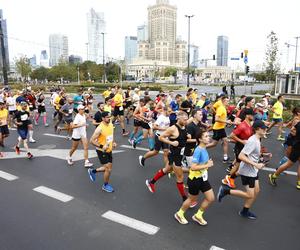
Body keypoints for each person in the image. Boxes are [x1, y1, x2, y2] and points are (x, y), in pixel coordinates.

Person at [217, 120, 267, 220]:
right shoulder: (253, 141)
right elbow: (241, 155)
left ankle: (245, 211)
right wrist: (255, 164)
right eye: (263, 128)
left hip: (252, 170)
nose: (265, 129)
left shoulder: (257, 139)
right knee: (250, 194)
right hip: (248, 171)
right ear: (257, 130)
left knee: (256, 190)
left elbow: (252, 153)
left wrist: (262, 155)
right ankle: (225, 191)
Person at [145, 111, 192, 204]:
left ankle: (151, 182)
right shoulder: (172, 128)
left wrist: (188, 136)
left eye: (187, 119)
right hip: (174, 155)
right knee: (180, 177)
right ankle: (184, 198)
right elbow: (160, 137)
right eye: (184, 119)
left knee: (166, 170)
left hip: (180, 154)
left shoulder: (184, 126)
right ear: (178, 118)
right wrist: (171, 143)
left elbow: (183, 136)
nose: (186, 121)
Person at [174, 129, 215, 225]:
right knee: (191, 199)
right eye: (206, 136)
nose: (208, 137)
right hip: (195, 179)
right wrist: (207, 165)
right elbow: (193, 167)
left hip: (203, 178)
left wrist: (206, 163)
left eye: (208, 136)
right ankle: (179, 214)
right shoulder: (198, 150)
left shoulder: (204, 147)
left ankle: (198, 215)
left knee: (210, 198)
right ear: (200, 139)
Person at [222, 108, 255, 189]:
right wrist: (242, 141)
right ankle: (228, 178)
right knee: (238, 165)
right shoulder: (242, 125)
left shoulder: (250, 124)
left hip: (245, 148)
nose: (253, 116)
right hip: (240, 148)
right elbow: (231, 135)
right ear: (247, 115)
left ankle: (228, 179)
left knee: (239, 165)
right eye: (252, 115)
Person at [88, 111, 117, 193]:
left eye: (110, 116)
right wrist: (102, 146)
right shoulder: (99, 128)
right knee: (108, 169)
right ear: (103, 118)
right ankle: (105, 185)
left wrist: (113, 142)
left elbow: (110, 135)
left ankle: (93, 171)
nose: (109, 118)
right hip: (102, 151)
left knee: (108, 168)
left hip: (109, 149)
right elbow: (91, 141)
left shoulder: (111, 124)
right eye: (107, 117)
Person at [269, 121, 300, 189]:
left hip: (297, 146)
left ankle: (299, 182)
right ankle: (273, 176)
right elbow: (292, 130)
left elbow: (292, 129)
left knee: (291, 163)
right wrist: (296, 136)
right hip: (297, 147)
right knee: (289, 163)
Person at [207, 96, 232, 163]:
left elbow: (221, 118)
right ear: (223, 101)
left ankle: (225, 157)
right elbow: (216, 119)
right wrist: (226, 122)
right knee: (215, 143)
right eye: (227, 101)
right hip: (218, 128)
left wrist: (227, 121)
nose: (228, 102)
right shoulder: (221, 108)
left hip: (221, 128)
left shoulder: (223, 108)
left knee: (223, 142)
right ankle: (200, 148)